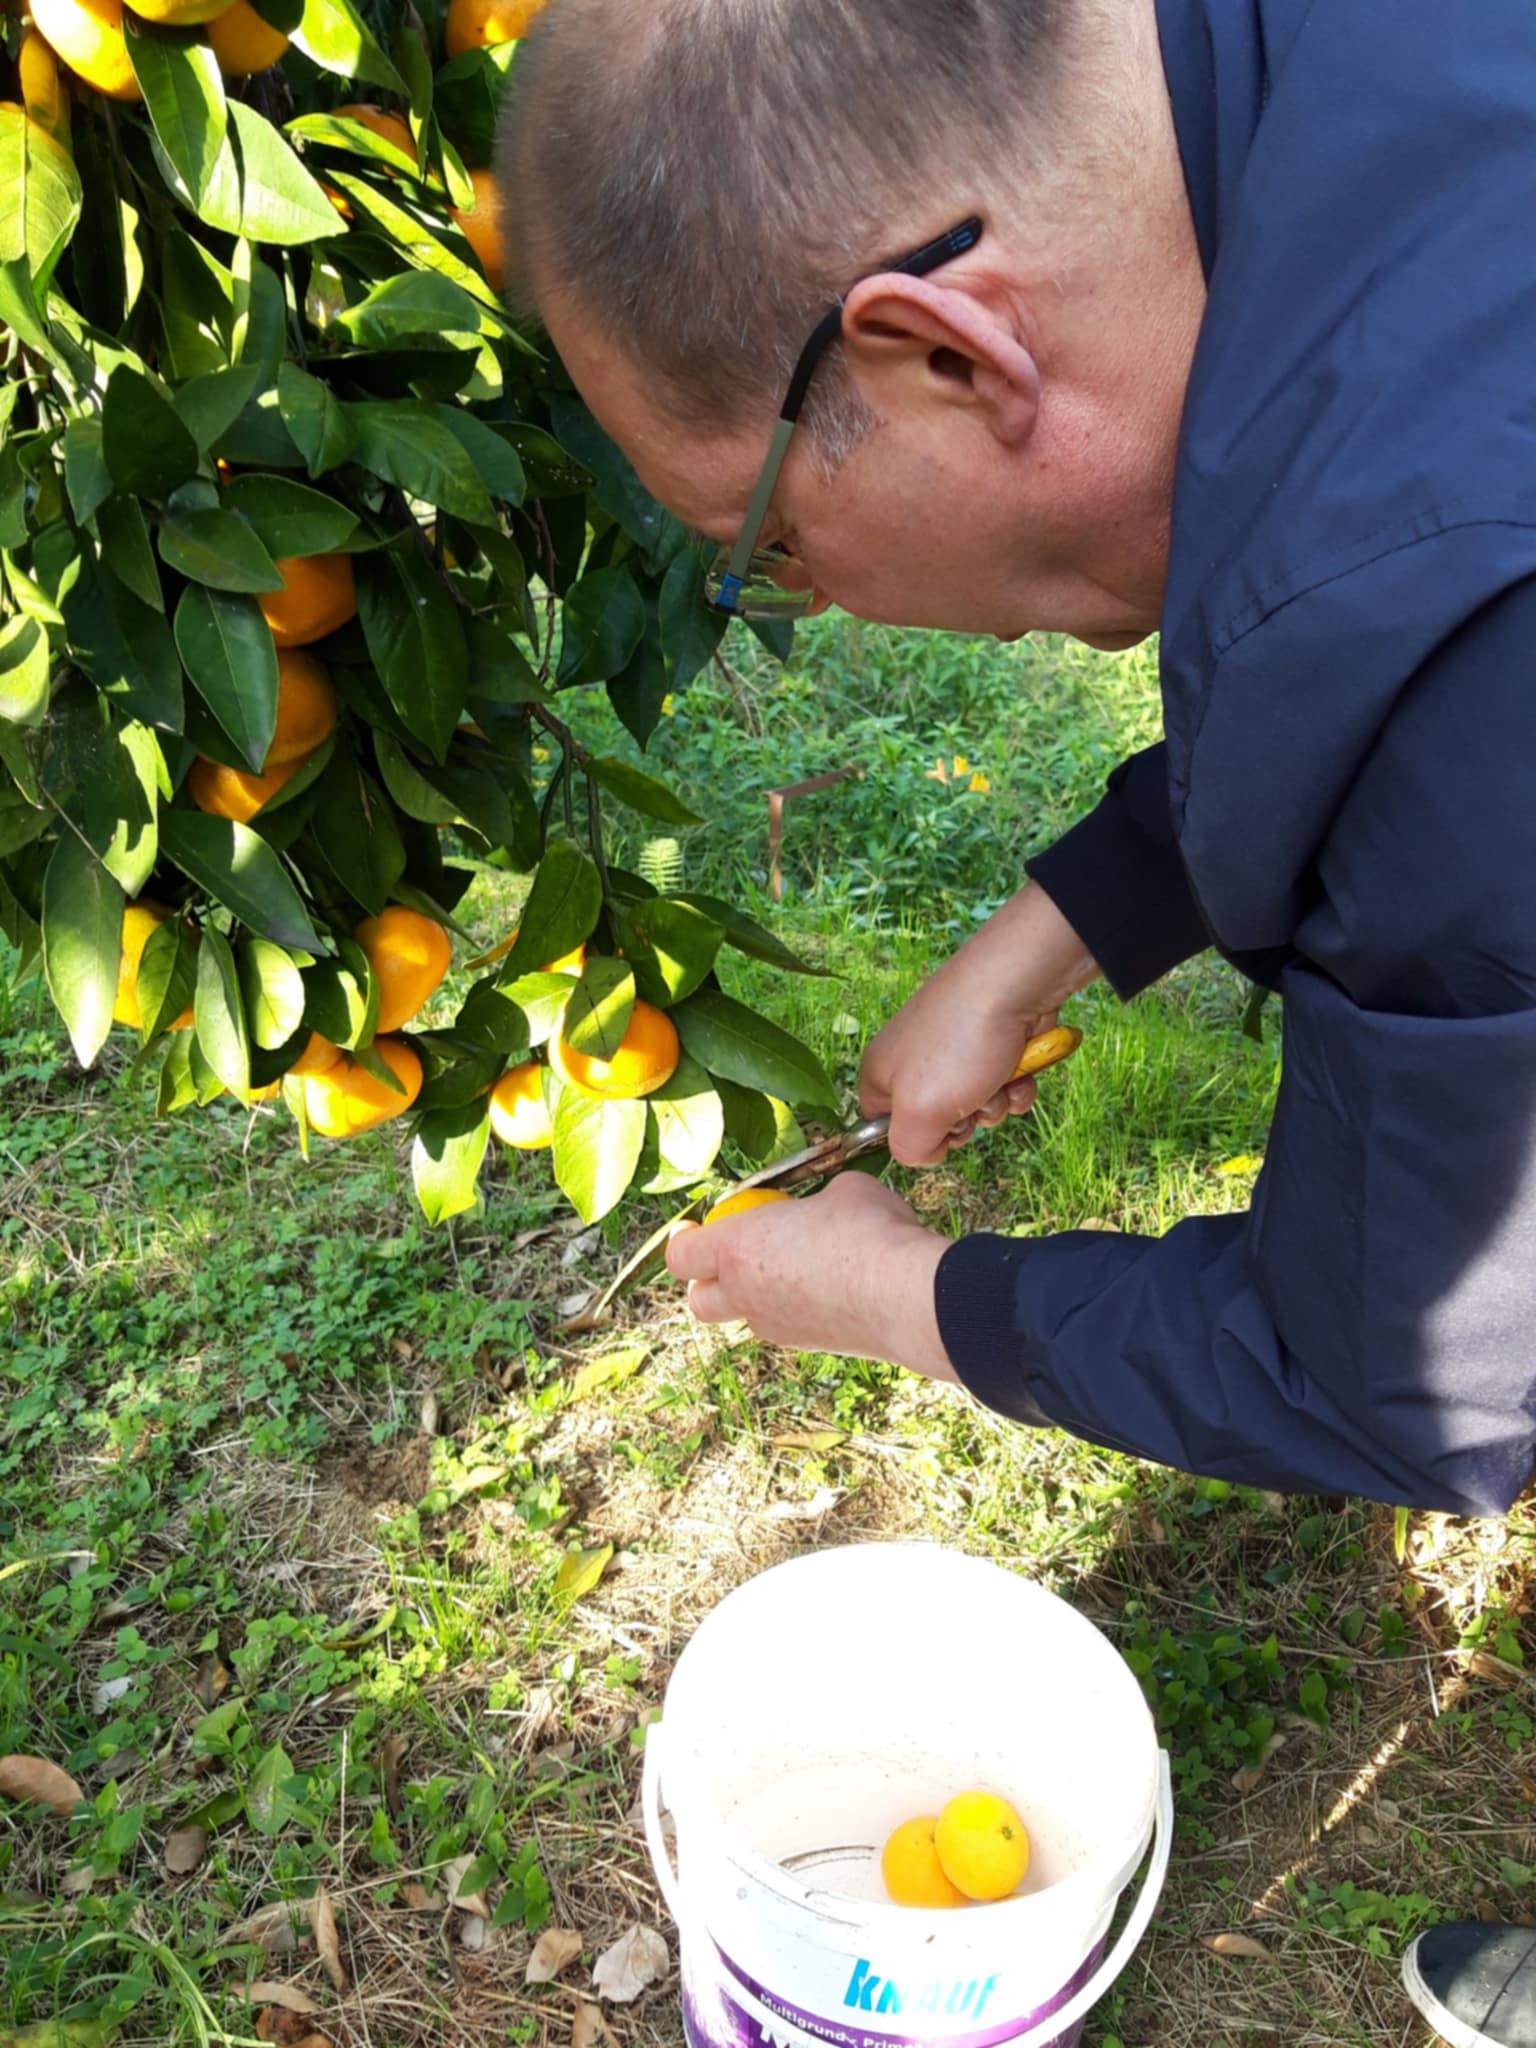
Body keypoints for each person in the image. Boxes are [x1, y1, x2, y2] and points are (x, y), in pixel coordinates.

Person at [496, 3, 1536, 2036]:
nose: (815, 605)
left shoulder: (1460, 642)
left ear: (946, 356)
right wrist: (1051, 932)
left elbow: (1432, 1379)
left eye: (770, 550)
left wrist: (905, 1296)